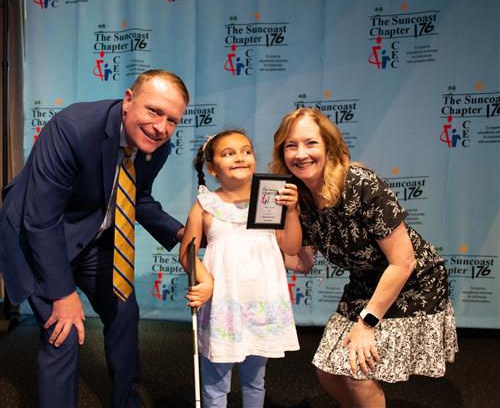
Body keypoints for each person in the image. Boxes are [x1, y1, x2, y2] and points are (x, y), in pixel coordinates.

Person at [0, 70, 205, 408]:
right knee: (63, 332)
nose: (161, 127)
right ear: (128, 101)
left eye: (172, 120)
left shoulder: (157, 145)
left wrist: (180, 233)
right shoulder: (73, 129)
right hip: (34, 237)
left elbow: (136, 196)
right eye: (154, 111)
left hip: (87, 235)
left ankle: (127, 400)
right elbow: (41, 219)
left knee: (124, 309)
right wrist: (63, 294)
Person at [270, 107, 458, 408]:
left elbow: (403, 261)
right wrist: (258, 247)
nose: (300, 153)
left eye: (310, 143)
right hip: (365, 281)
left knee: (358, 371)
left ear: (329, 146)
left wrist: (366, 324)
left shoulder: (359, 183)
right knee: (327, 371)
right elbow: (301, 260)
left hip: (413, 281)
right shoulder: (297, 196)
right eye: (291, 145)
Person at [179, 129, 302, 408]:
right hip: (224, 307)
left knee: (255, 381)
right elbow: (186, 254)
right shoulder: (205, 205)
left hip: (262, 306)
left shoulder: (270, 198)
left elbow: (291, 248)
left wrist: (292, 212)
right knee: (214, 385)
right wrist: (206, 281)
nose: (240, 157)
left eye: (246, 151)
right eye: (228, 153)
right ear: (212, 168)